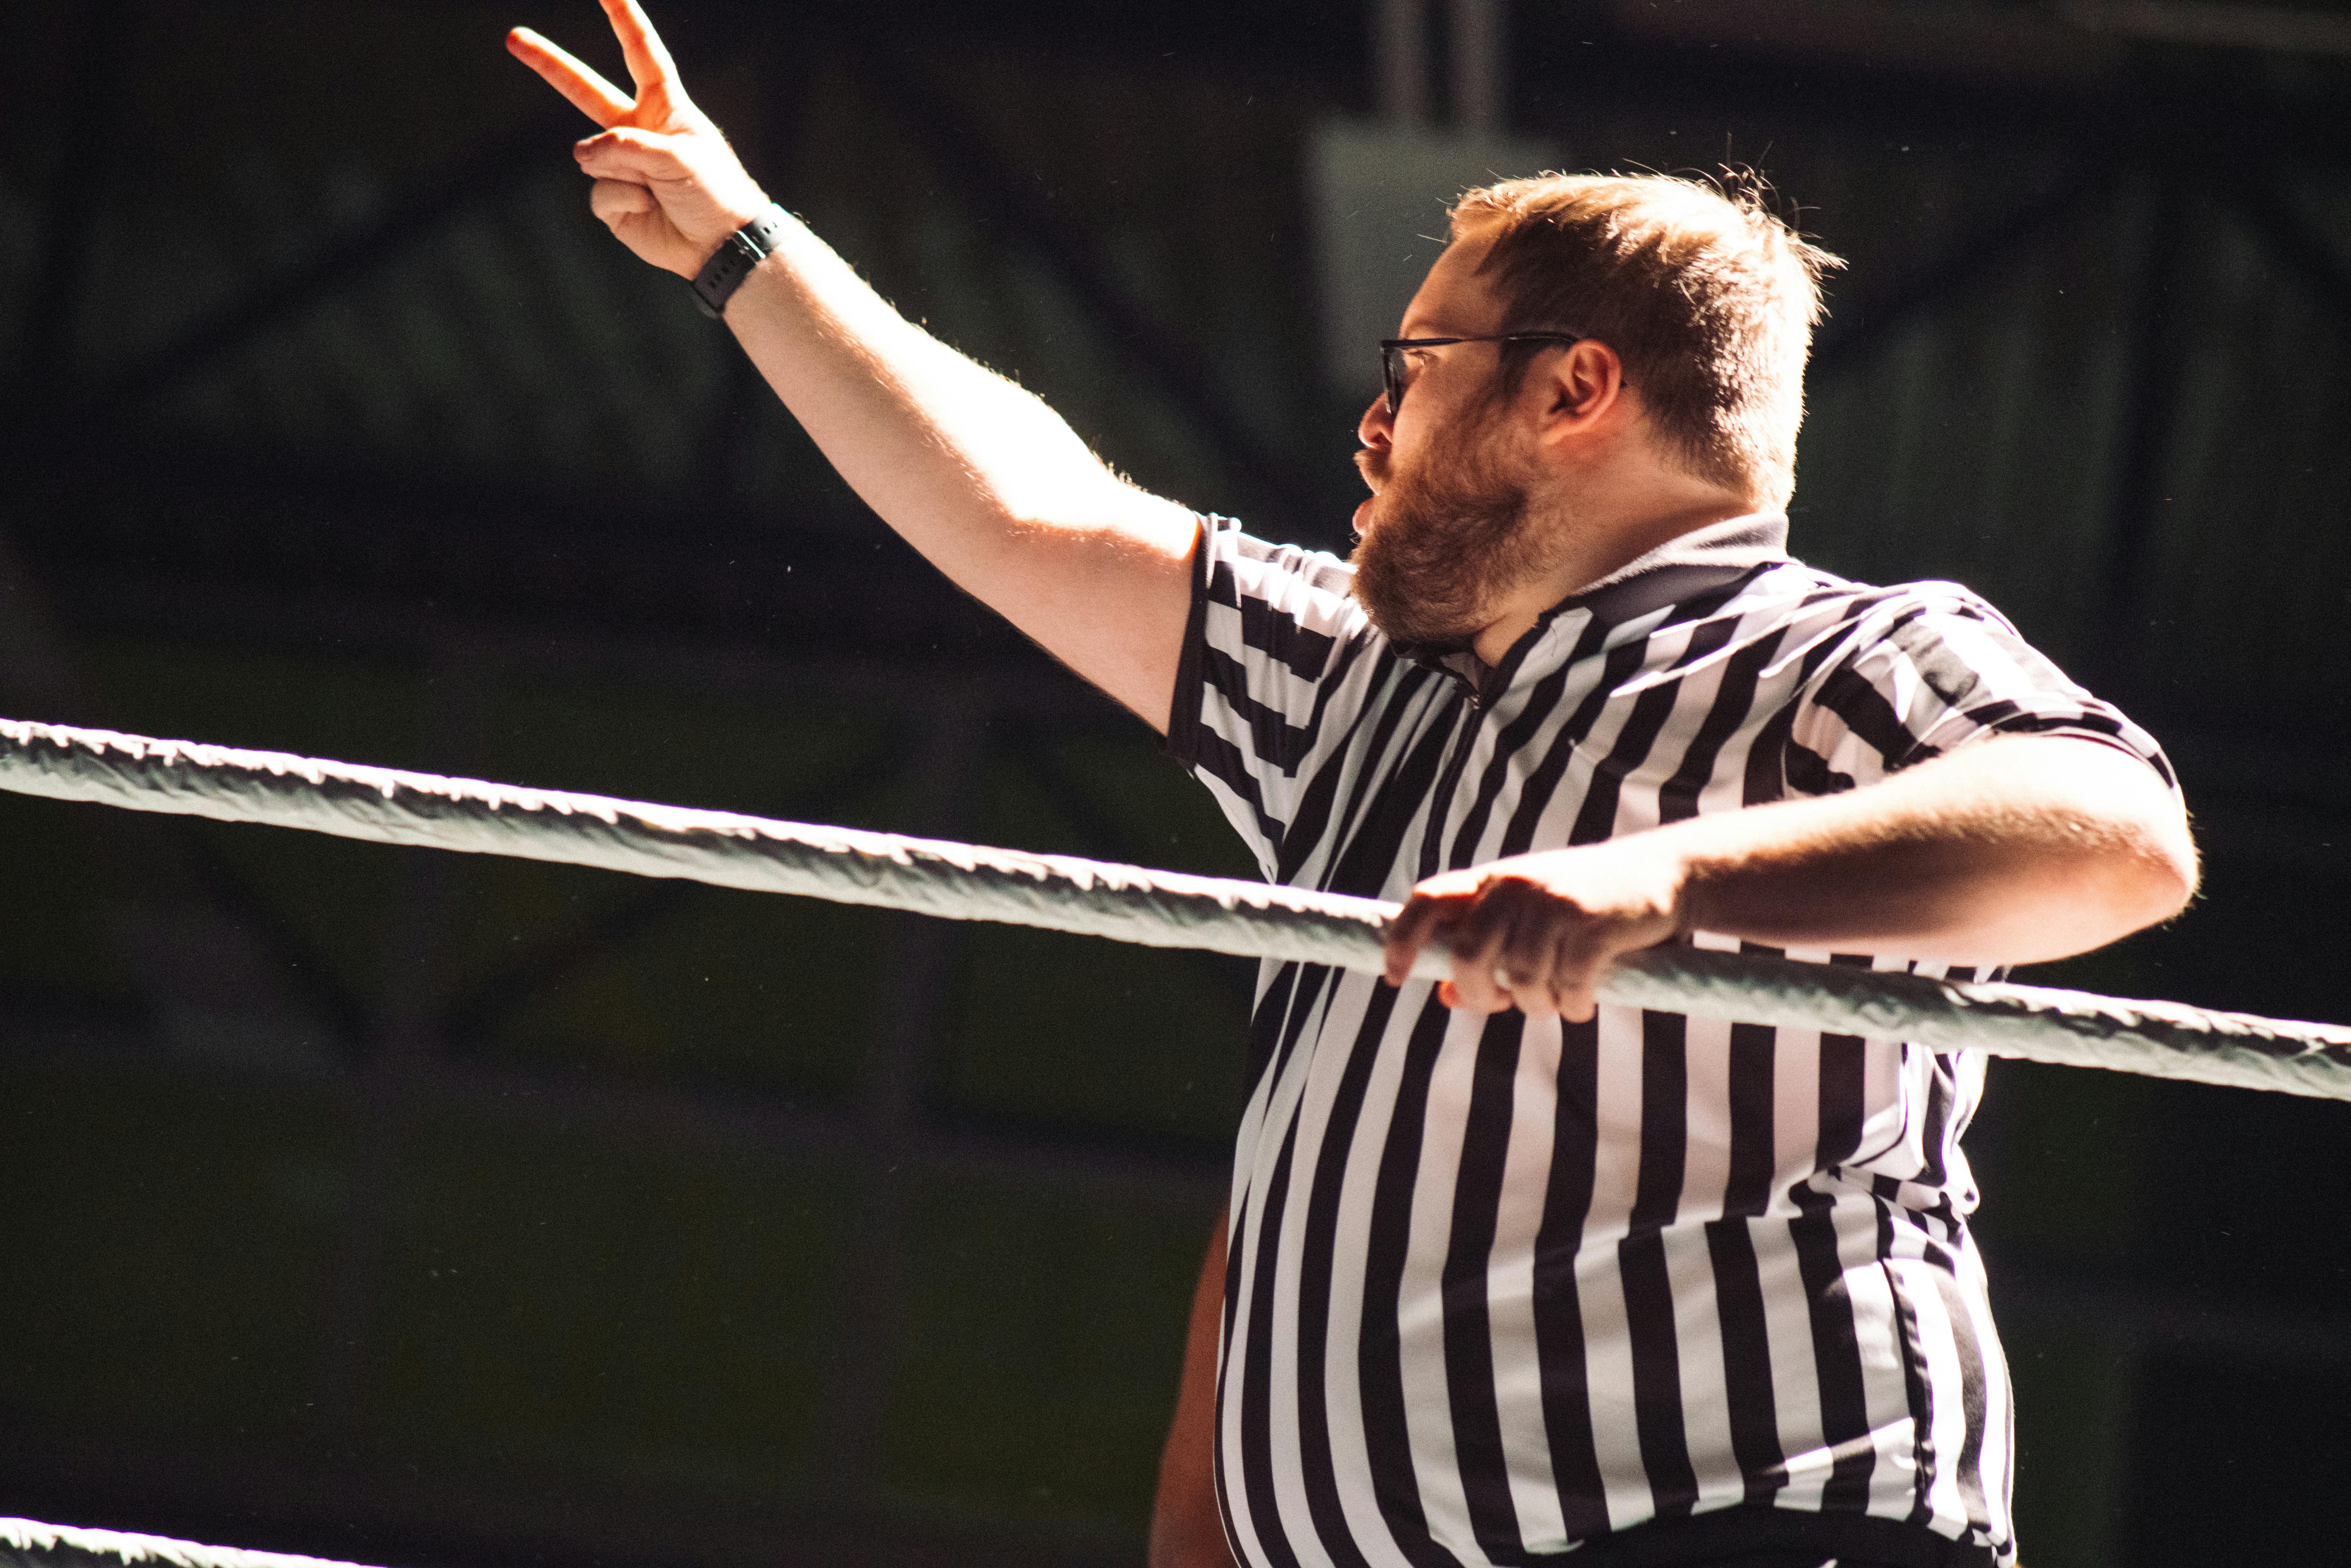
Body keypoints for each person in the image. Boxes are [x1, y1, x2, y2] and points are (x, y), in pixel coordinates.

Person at [506, 6, 2198, 1566]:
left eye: (1414, 367)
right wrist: (745, 246)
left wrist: (1667, 883)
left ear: (1572, 388)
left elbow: (2121, 837)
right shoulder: (1350, 679)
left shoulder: (1831, 653)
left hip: (1762, 1520)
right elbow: (1034, 514)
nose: (1372, 430)